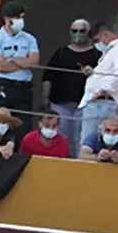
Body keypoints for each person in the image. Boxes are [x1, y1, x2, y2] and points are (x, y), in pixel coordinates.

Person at [40, 18, 100, 157]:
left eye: (82, 31)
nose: (78, 34)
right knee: (61, 138)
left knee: (83, 140)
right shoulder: (60, 53)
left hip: (86, 105)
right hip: (60, 104)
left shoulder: (97, 55)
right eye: (75, 31)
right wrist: (45, 99)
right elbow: (48, 77)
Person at [0, 1, 38, 140]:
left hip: (23, 88)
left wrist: (13, 60)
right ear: (8, 19)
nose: (21, 21)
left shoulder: (29, 39)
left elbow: (34, 62)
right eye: (18, 17)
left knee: (23, 127)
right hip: (4, 86)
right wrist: (22, 63)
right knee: (1, 125)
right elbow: (1, 66)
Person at [78, 21, 118, 146]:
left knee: (90, 144)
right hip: (96, 102)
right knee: (86, 142)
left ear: (105, 35)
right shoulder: (111, 51)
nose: (98, 44)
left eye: (98, 40)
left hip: (101, 101)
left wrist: (103, 90)